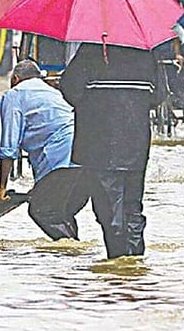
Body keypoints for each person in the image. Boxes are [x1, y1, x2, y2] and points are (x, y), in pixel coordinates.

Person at [59, 41, 158, 258]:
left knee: (108, 210)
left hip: (98, 146)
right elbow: (158, 97)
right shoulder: (145, 54)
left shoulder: (90, 51)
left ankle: (117, 263)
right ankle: (133, 263)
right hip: (136, 146)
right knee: (133, 208)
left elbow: (70, 90)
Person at [0, 59, 74, 200]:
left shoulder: (14, 95)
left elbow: (9, 147)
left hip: (56, 156)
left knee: (44, 207)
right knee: (58, 206)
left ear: (15, 79)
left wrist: (1, 189)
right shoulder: (53, 92)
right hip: (81, 155)